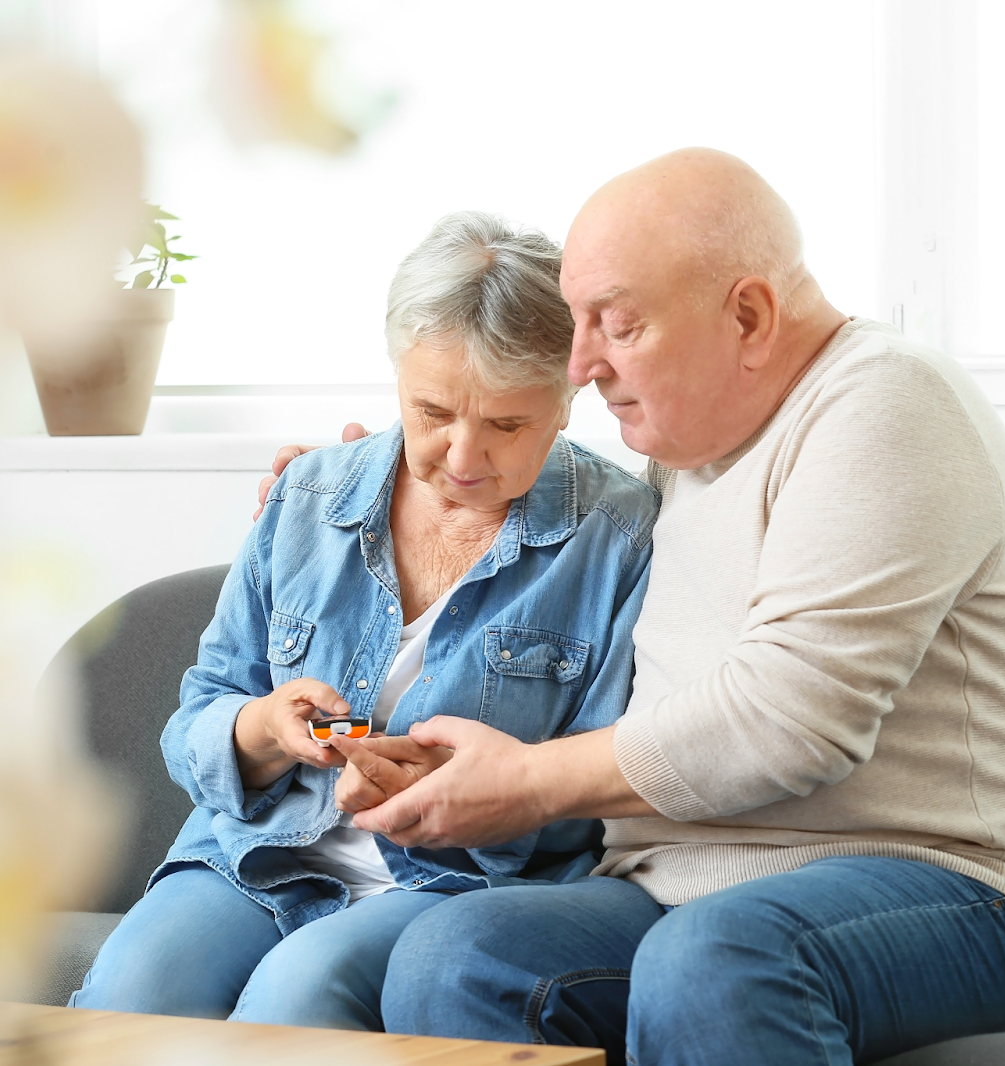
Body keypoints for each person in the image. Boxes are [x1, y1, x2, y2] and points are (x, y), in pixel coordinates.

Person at [266, 148, 1005, 1065]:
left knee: (715, 960)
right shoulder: (685, 453)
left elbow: (790, 721)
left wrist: (529, 785)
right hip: (674, 888)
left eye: (615, 325)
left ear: (748, 314)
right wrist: (360, 494)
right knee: (457, 956)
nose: (581, 366)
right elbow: (535, 516)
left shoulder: (886, 403)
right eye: (577, 325)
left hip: (950, 890)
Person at [69, 211, 657, 1026]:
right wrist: (264, 730)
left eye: (506, 425)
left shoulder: (617, 537)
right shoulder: (310, 497)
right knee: (136, 987)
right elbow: (200, 710)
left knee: (298, 994)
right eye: (433, 412)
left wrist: (470, 795)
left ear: (567, 397)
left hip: (454, 882)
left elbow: (605, 790)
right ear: (397, 378)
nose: (460, 458)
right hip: (258, 854)